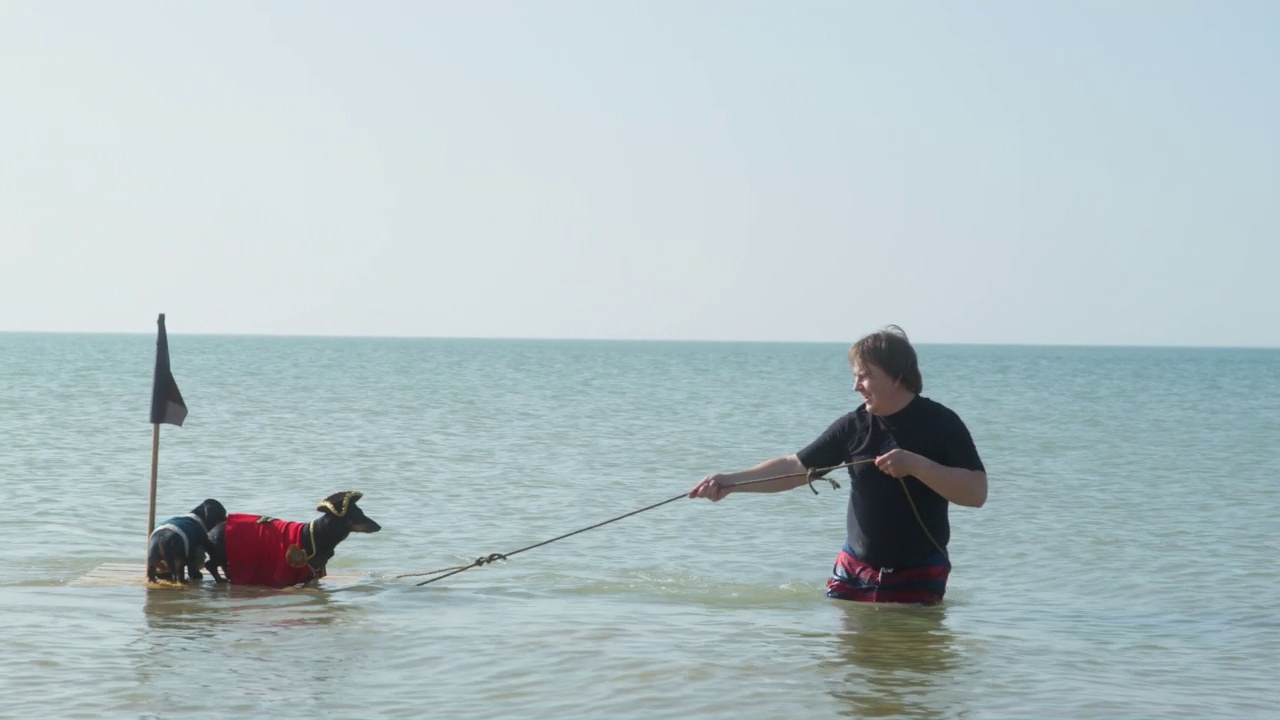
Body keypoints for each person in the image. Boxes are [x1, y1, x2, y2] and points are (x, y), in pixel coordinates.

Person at [688, 325, 986, 604]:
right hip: (852, 572)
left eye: (864, 376)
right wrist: (729, 482)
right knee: (847, 659)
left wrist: (917, 466)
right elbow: (794, 468)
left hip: (920, 575)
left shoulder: (942, 423)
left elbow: (976, 493)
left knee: (905, 657)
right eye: (855, 376)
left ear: (896, 376)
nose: (856, 386)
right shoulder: (852, 426)